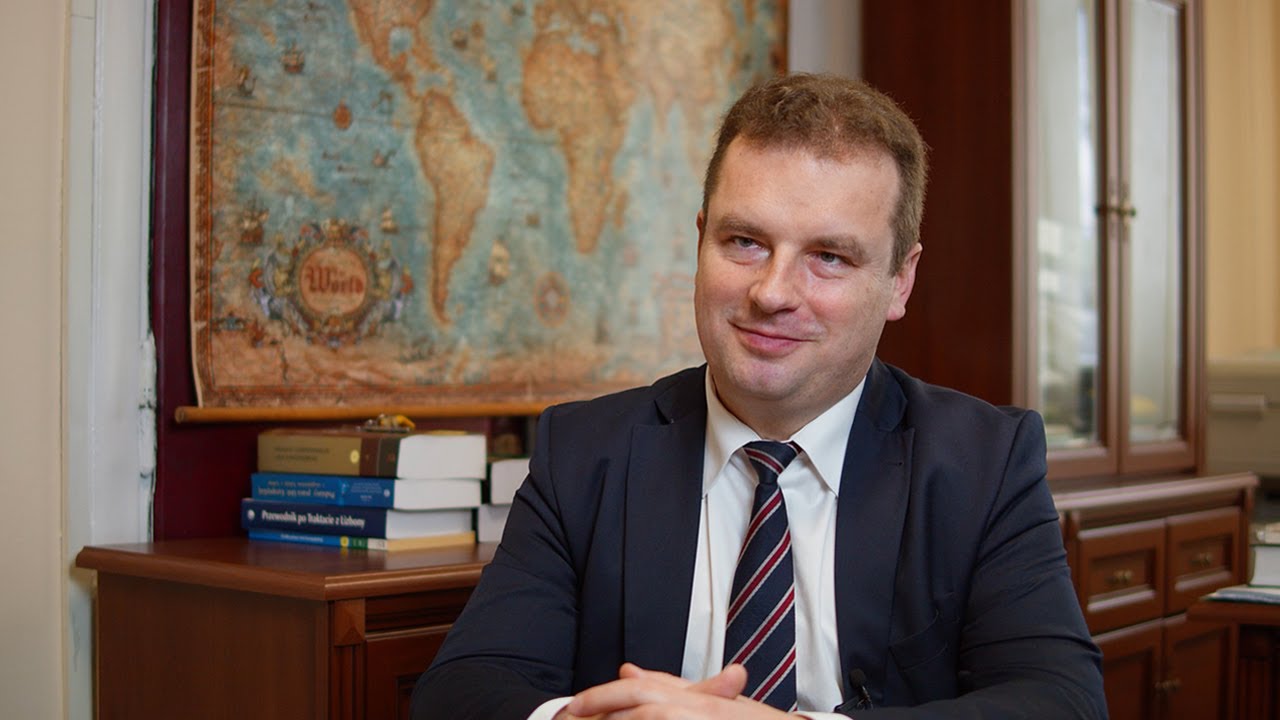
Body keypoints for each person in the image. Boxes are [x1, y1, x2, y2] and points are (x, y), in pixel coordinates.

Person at [411, 73, 1107, 719]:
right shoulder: (584, 453)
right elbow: (461, 689)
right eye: (744, 241)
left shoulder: (986, 463)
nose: (772, 293)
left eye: (828, 257)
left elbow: (1062, 700)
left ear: (901, 280)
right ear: (700, 242)